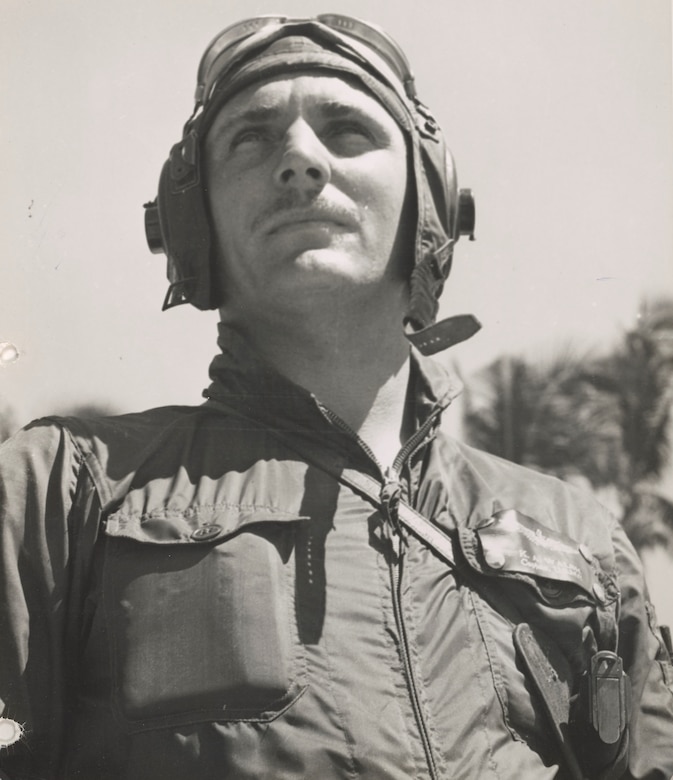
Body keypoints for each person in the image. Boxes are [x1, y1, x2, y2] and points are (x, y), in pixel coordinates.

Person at [1, 14, 672, 780]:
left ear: (432, 202)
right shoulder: (61, 492)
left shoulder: (578, 539)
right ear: (193, 222)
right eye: (250, 138)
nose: (298, 160)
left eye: (347, 129)